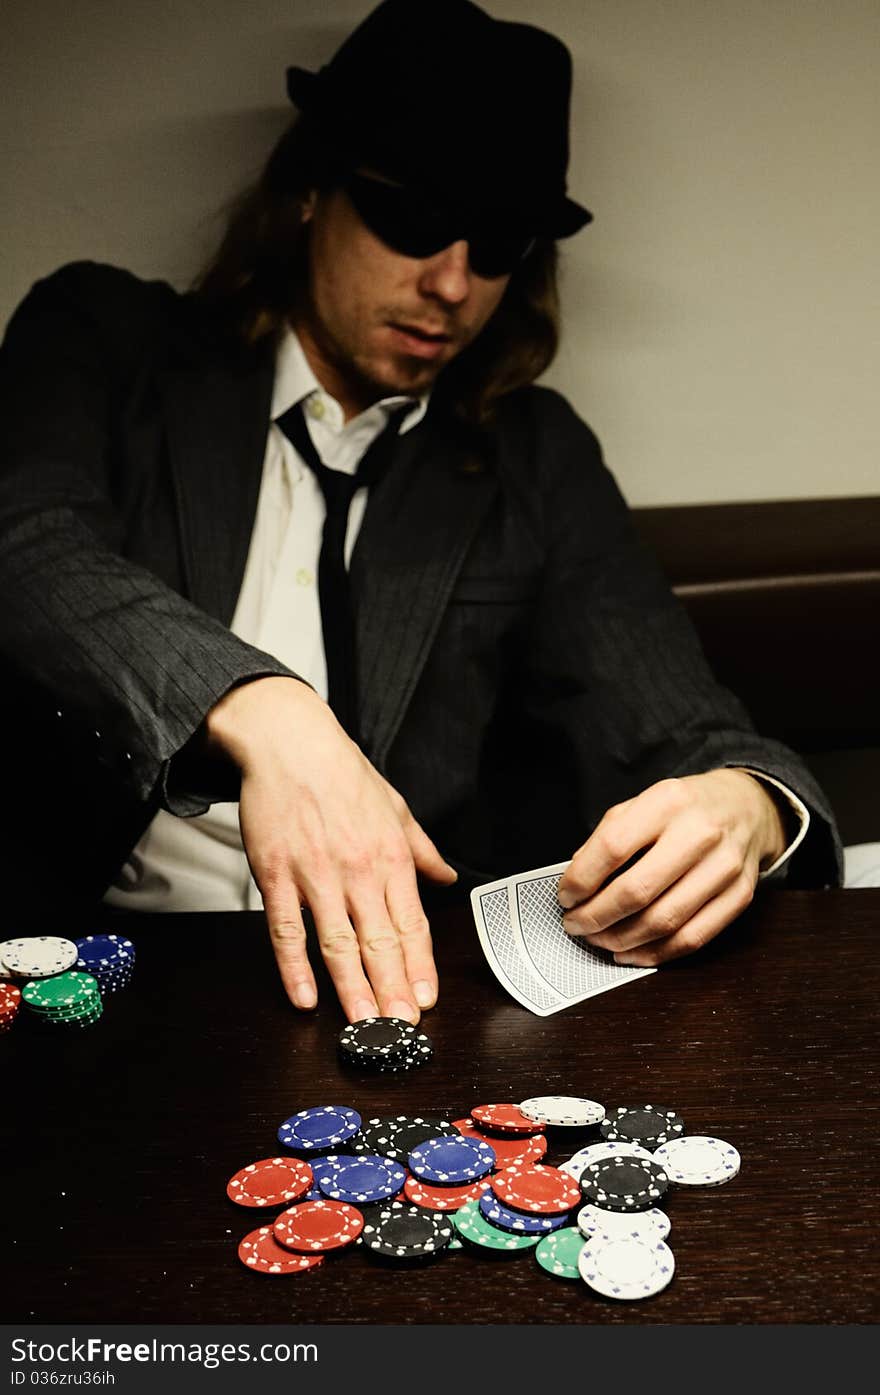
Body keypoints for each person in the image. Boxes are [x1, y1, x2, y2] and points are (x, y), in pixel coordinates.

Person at [0, 0, 841, 1027]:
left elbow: (687, 727)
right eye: (411, 218)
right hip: (93, 973)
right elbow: (25, 543)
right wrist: (267, 710)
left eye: (496, 244)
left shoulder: (533, 454)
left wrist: (750, 810)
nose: (451, 284)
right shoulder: (104, 338)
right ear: (310, 190)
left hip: (401, 996)